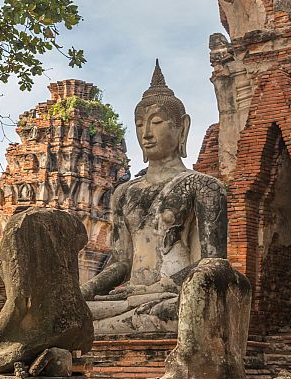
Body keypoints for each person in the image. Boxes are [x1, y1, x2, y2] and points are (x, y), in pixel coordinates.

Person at [80, 61, 227, 335]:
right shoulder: (125, 192)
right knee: (73, 315)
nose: (146, 133)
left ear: (182, 127)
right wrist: (81, 292)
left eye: (156, 122)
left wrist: (165, 286)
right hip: (130, 298)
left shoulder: (203, 186)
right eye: (139, 125)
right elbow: (122, 262)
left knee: (167, 313)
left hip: (171, 297)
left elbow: (212, 263)